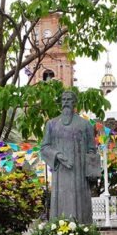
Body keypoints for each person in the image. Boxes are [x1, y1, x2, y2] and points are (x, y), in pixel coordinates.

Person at [40, 90, 100, 223]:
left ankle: (82, 232)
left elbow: (92, 150)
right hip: (60, 173)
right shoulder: (51, 124)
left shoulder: (85, 125)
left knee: (80, 207)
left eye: (69, 100)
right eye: (64, 99)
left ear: (75, 103)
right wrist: (57, 155)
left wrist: (91, 174)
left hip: (79, 174)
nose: (66, 102)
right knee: (60, 204)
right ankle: (58, 230)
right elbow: (44, 148)